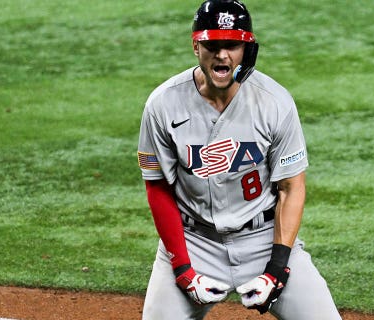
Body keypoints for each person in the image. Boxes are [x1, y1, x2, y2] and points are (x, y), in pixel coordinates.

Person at [137, 1, 341, 319]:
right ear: (196, 46)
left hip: (263, 238)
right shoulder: (162, 105)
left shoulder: (275, 103)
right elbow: (158, 187)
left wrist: (276, 269)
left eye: (232, 45)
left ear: (247, 48)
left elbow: (291, 187)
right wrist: (183, 269)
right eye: (212, 45)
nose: (222, 55)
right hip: (194, 241)